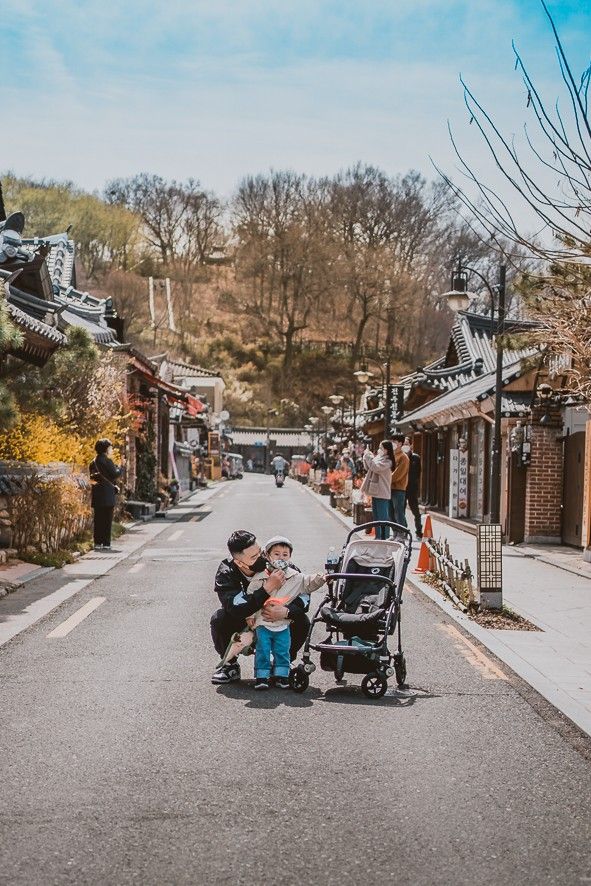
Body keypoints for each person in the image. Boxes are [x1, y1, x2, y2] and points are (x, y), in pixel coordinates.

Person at [210, 530, 311, 684]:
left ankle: (282, 663)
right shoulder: (227, 573)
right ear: (239, 562)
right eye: (253, 557)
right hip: (246, 621)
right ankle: (230, 665)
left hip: (278, 621)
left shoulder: (277, 561)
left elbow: (304, 594)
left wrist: (287, 611)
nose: (261, 558)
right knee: (220, 618)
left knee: (301, 620)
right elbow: (235, 608)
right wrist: (266, 589)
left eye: (260, 551)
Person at [248, 536, 325, 690]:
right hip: (263, 622)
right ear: (267, 555)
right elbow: (251, 596)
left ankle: (282, 676)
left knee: (283, 650)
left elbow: (308, 583)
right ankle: (261, 677)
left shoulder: (294, 576)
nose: (281, 557)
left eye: (285, 554)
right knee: (263, 650)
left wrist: (321, 578)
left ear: (290, 557)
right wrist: (250, 616)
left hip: (283, 624)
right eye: (276, 554)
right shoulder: (260, 576)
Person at [89, 439, 122, 552]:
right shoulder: (108, 461)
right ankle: (106, 543)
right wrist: (120, 468)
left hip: (97, 495)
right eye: (110, 448)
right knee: (107, 521)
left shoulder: (92, 463)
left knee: (98, 520)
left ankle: (97, 543)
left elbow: (92, 480)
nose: (111, 450)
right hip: (108, 495)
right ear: (106, 449)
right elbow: (115, 474)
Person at [361, 440, 394, 539]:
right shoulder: (379, 458)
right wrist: (366, 457)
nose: (379, 449)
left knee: (383, 518)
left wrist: (368, 456)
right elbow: (369, 467)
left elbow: (375, 467)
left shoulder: (388, 461)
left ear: (387, 450)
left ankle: (384, 537)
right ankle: (378, 537)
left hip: (382, 492)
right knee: (376, 517)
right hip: (375, 491)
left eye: (381, 448)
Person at [404, 437, 423, 539]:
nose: (405, 446)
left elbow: (418, 473)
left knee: (416, 511)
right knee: (401, 511)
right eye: (404, 444)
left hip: (412, 488)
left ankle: (419, 530)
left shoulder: (416, 458)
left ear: (411, 445)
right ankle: (404, 530)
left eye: (407, 444)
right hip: (402, 488)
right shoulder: (400, 457)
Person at [390, 434, 409, 528]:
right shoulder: (391, 455)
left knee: (398, 512)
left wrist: (386, 480)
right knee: (390, 512)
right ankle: (395, 533)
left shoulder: (404, 457)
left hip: (398, 488)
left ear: (400, 443)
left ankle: (402, 533)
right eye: (392, 441)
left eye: (395, 442)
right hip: (389, 487)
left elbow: (398, 474)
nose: (392, 443)